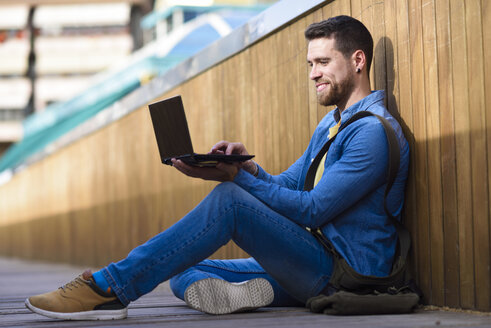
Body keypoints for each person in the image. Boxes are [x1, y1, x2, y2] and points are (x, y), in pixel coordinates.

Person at [25, 15, 410, 320]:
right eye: (310, 63)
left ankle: (109, 288)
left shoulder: (371, 134)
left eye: (323, 62)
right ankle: (244, 296)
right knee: (182, 269)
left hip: (346, 276)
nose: (312, 73)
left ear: (358, 60)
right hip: (315, 257)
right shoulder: (333, 123)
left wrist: (236, 179)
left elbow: (312, 209)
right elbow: (292, 185)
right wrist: (248, 168)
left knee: (229, 199)